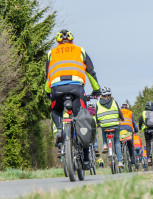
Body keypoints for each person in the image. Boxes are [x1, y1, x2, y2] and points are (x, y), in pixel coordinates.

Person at [45, 29, 101, 170]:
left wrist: (47, 92)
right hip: (76, 88)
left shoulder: (51, 53)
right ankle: (87, 159)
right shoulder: (80, 50)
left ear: (58, 41)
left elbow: (48, 76)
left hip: (57, 88)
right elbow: (90, 72)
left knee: (56, 109)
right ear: (71, 40)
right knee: (81, 118)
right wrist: (97, 89)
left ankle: (59, 130)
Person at [96, 86, 124, 167]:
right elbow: (119, 112)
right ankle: (120, 161)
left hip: (104, 124)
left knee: (103, 131)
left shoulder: (98, 103)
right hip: (115, 124)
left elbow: (97, 115)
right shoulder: (114, 101)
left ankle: (105, 144)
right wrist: (122, 118)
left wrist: (98, 122)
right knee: (117, 141)